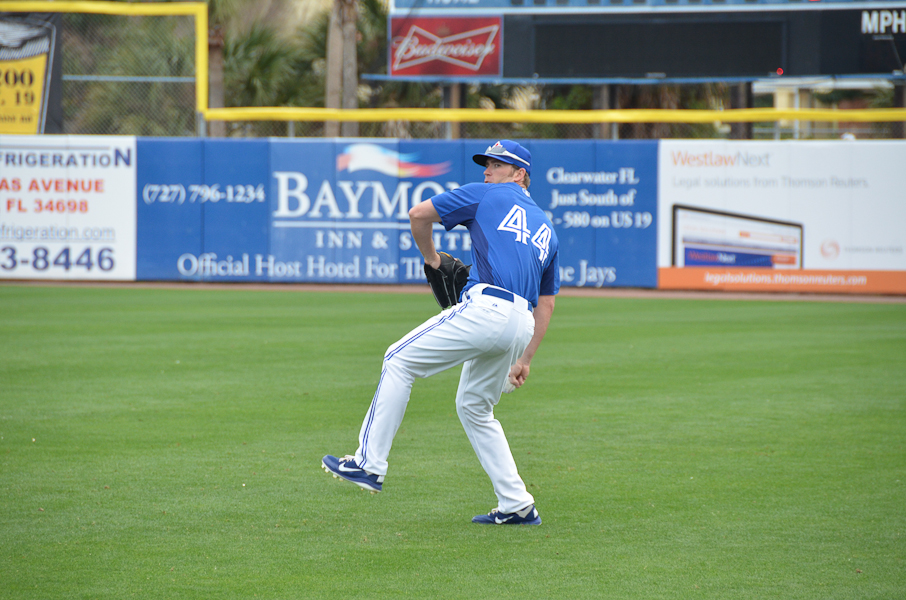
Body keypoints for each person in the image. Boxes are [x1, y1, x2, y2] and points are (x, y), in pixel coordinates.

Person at [322, 140, 560, 525]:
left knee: (398, 360)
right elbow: (546, 303)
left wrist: (432, 258)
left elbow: (418, 214)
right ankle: (517, 504)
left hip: (487, 307)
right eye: (486, 164)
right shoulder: (547, 229)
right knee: (475, 407)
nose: (487, 170)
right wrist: (525, 358)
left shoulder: (487, 195)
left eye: (498, 165)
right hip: (521, 322)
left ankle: (369, 464)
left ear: (520, 175)